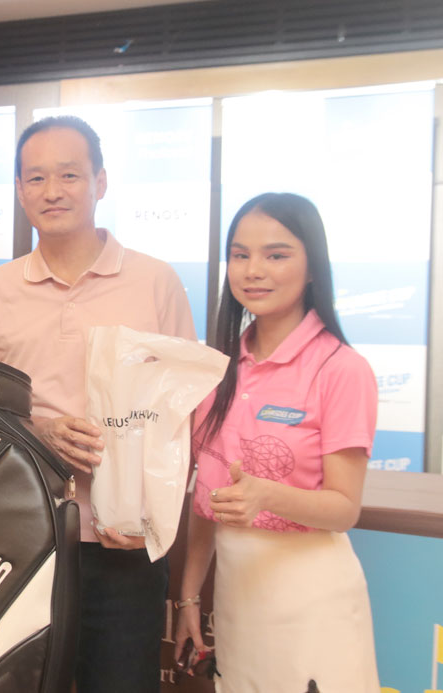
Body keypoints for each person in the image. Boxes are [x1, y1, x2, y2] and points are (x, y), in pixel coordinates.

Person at [0, 115, 196, 693]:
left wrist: (156, 522)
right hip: (22, 543)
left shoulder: (156, 282)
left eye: (69, 174)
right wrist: (40, 431)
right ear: (19, 190)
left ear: (100, 181)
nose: (52, 191)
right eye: (36, 178)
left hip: (124, 544)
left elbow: (182, 415)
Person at [173, 192, 380, 691]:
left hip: (314, 603)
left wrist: (266, 495)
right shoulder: (218, 367)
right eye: (240, 255)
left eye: (276, 255)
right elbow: (207, 500)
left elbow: (344, 509)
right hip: (238, 603)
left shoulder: (341, 369)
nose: (254, 271)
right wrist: (190, 595)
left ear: (312, 267)